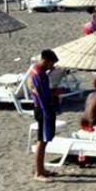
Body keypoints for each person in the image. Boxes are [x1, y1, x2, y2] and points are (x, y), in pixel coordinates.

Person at [28, 49, 60, 181]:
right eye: (51, 64)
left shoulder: (36, 71)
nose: (52, 66)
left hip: (42, 108)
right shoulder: (38, 75)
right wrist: (48, 113)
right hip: (43, 109)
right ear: (46, 61)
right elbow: (41, 97)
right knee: (42, 140)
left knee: (44, 140)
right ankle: (38, 173)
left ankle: (41, 169)